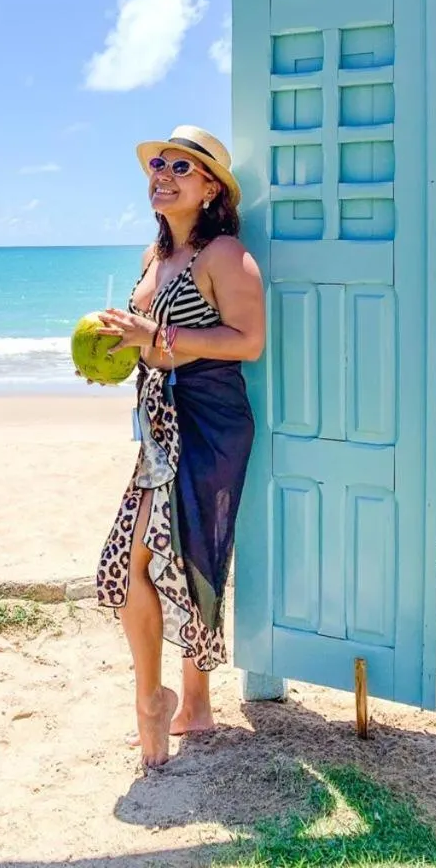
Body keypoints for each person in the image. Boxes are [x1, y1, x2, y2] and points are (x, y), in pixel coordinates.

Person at [95, 125, 265, 770]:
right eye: (157, 165)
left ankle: (155, 701)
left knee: (178, 554)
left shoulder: (224, 253)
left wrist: (156, 336)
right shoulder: (151, 255)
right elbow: (147, 342)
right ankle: (187, 701)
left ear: (211, 187)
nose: (162, 175)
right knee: (145, 559)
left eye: (180, 168)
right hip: (160, 422)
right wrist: (113, 349)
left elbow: (247, 342)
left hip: (211, 419)